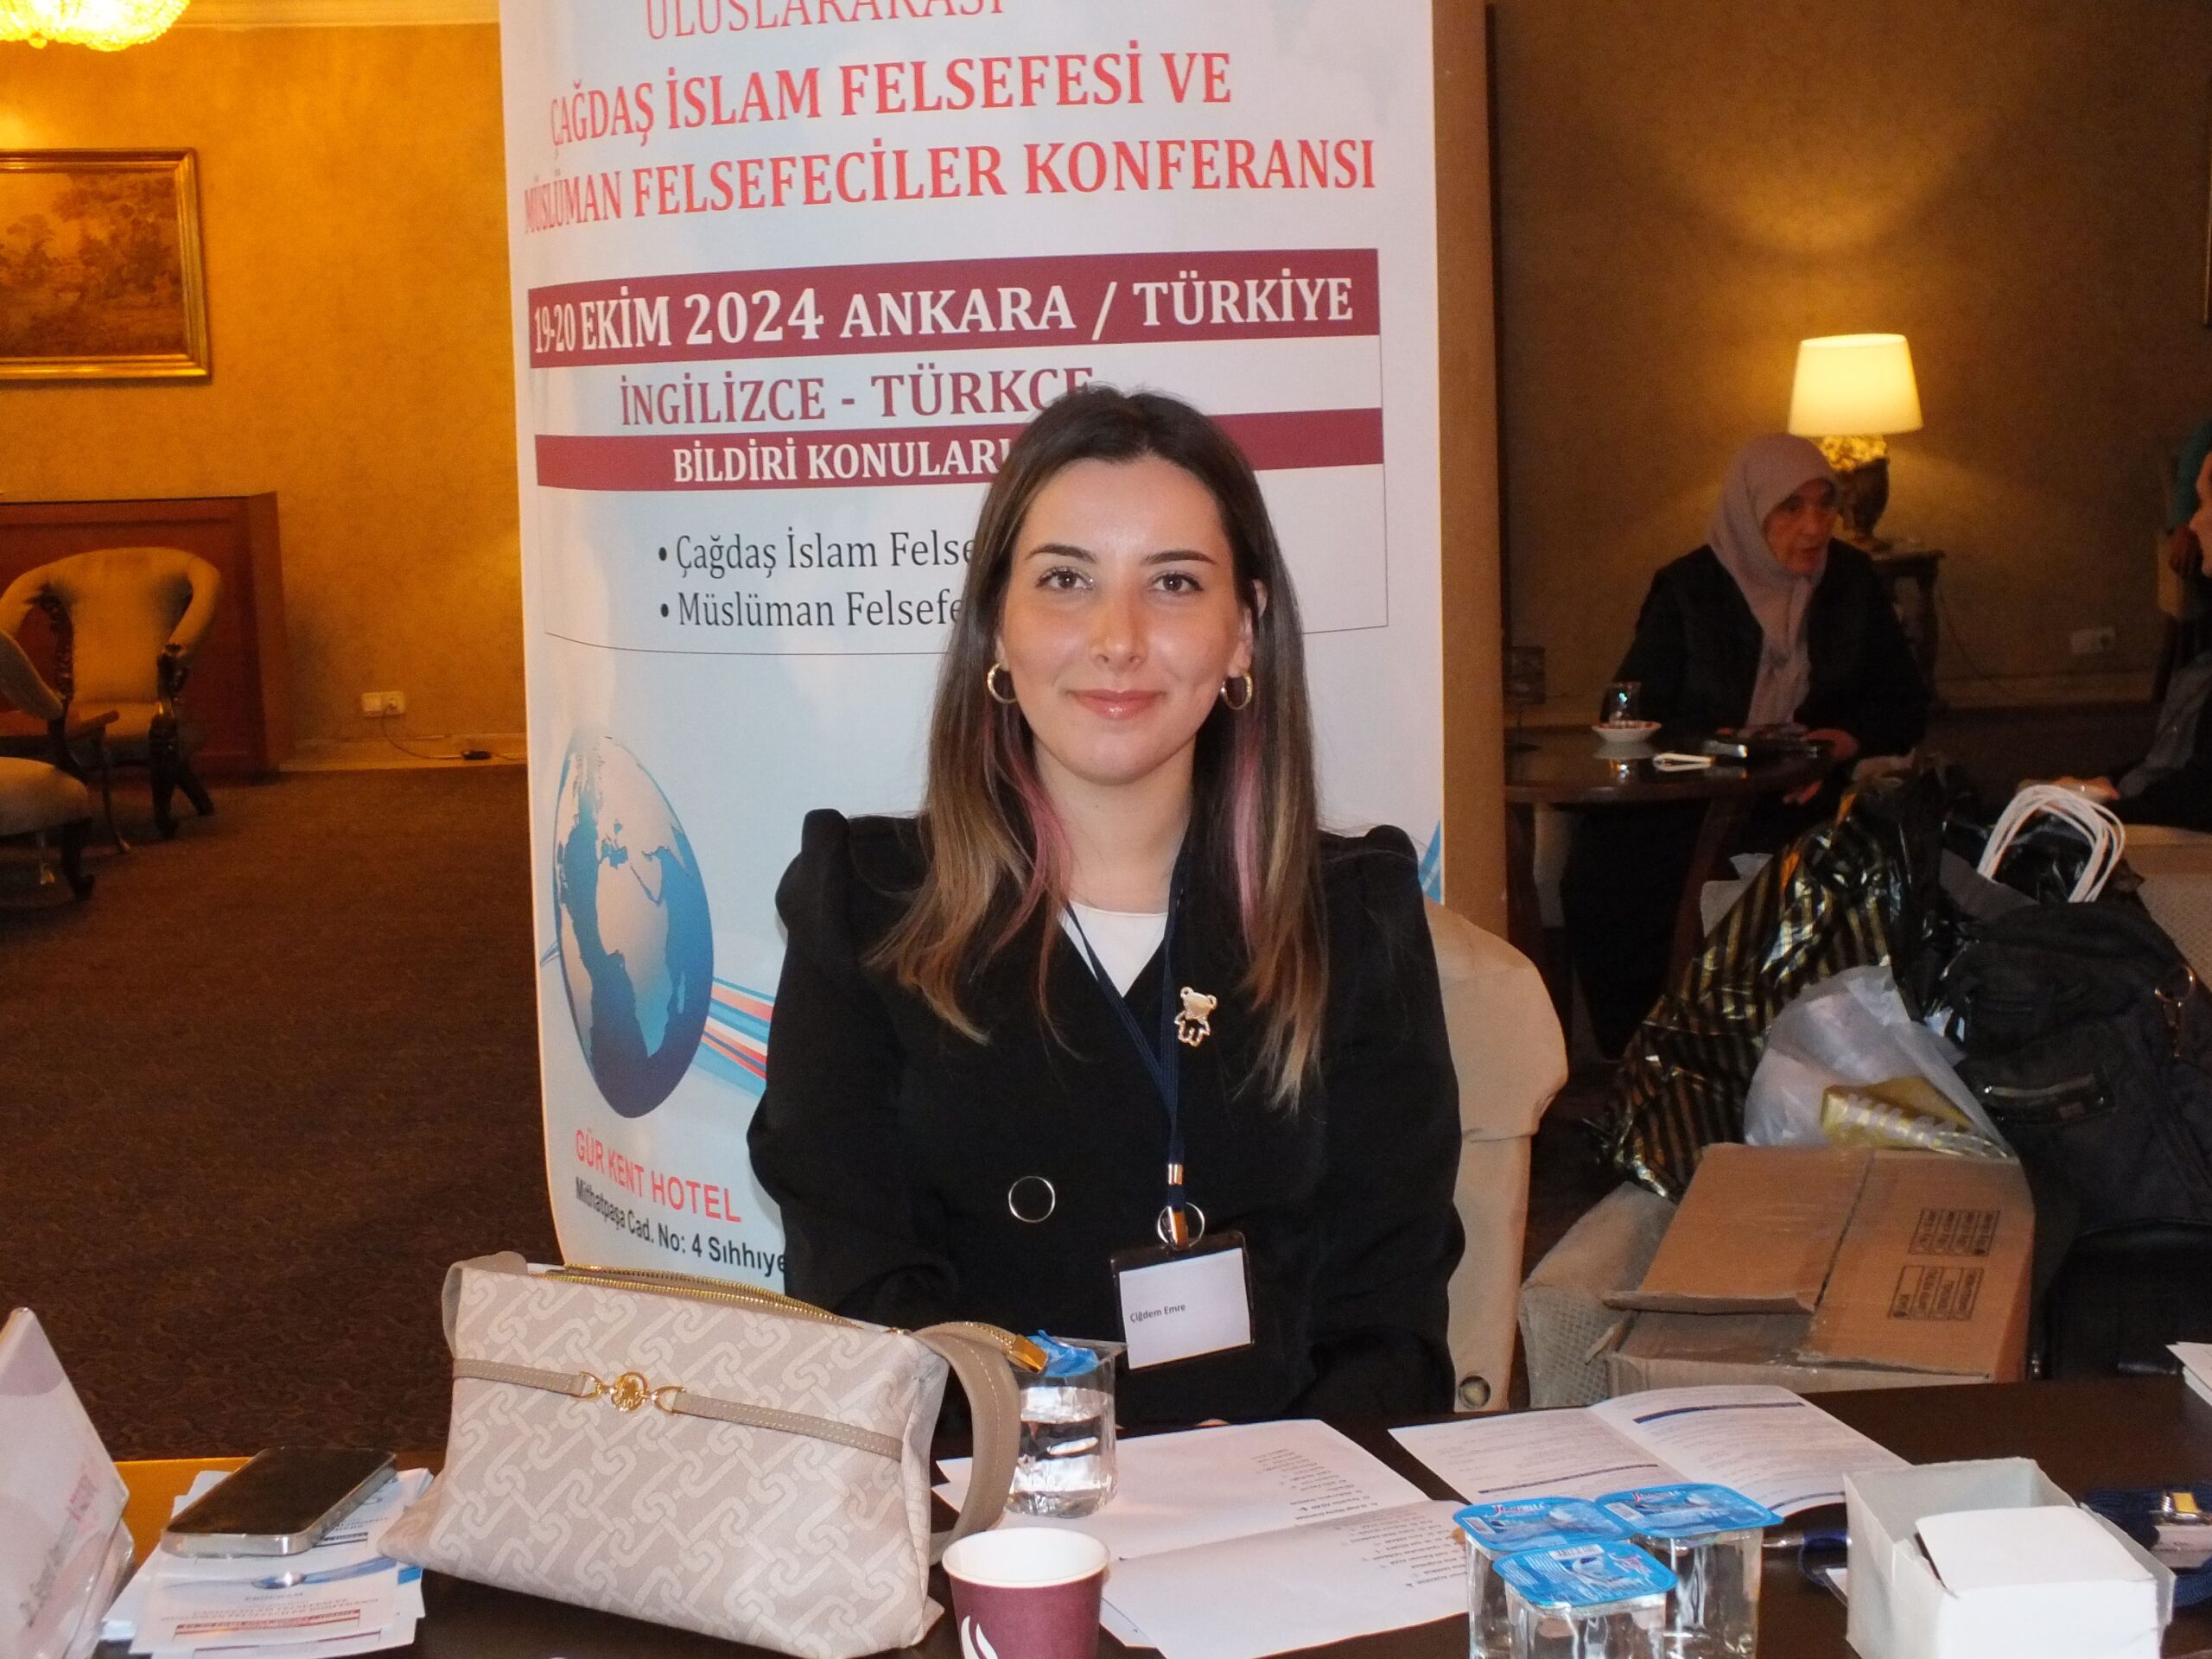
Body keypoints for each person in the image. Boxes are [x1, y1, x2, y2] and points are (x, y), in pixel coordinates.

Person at [747, 385, 1462, 1425]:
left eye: (1173, 583)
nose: (1117, 638)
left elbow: (1390, 1323)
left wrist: (1278, 1479)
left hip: (1283, 1495)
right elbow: (859, 1309)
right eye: (1065, 580)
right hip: (978, 1490)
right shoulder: (865, 906)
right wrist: (1060, 1476)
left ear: (1244, 633)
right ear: (997, 626)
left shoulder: (1355, 915)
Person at [1561, 433, 1929, 1056]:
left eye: (1825, 505)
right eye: (1791, 508)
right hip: (1692, 795)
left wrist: (1843, 742)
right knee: (1602, 870)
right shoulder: (1689, 588)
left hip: (1805, 797)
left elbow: (1904, 703)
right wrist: (1714, 743)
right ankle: (1639, 1052)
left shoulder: (1852, 582)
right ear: (1749, 511)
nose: (1814, 526)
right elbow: (1631, 712)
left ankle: (1767, 1053)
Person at [2064, 445, 2212, 828]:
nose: (2193, 523)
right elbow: (2177, 766)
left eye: (2206, 503)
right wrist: (2102, 784)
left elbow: (2198, 800)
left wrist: (2086, 816)